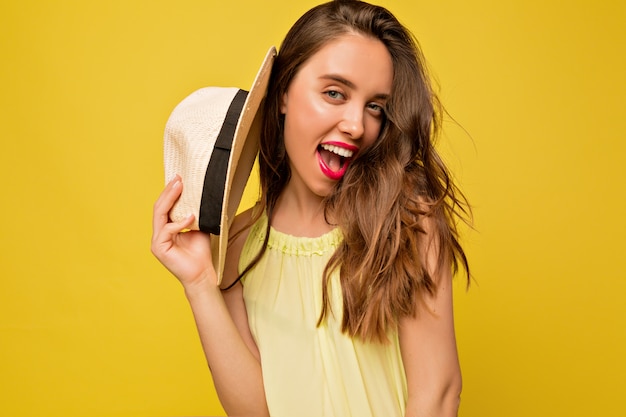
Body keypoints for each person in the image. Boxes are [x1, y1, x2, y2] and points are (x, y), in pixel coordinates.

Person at [152, 1, 470, 416]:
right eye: (335, 93)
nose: (357, 125)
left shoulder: (404, 221)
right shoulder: (239, 248)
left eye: (375, 106)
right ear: (283, 94)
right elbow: (255, 411)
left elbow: (438, 392)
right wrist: (199, 284)